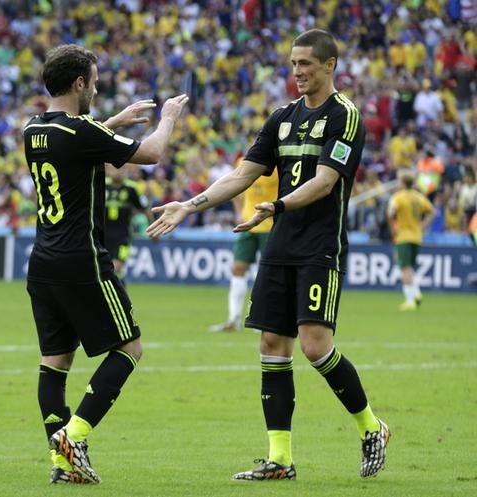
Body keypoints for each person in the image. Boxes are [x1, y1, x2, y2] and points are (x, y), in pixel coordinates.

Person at [147, 29, 390, 480]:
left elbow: (325, 181)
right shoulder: (282, 117)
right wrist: (189, 204)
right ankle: (280, 459)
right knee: (272, 345)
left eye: (306, 64)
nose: (296, 71)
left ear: (329, 65)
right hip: (281, 245)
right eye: (293, 63)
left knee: (316, 346)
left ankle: (372, 427)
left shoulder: (345, 116)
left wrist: (276, 206)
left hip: (320, 245)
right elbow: (242, 174)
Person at [23, 44, 188, 484]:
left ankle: (62, 464)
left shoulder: (32, 128)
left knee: (55, 361)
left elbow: (74, 139)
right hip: (83, 262)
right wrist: (168, 117)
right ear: (80, 83)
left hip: (42, 263)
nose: (96, 87)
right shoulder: (81, 133)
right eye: (94, 81)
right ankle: (72, 436)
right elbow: (151, 154)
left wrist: (112, 123)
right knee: (129, 349)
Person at [209, 158, 278, 332]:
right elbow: (235, 188)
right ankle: (233, 320)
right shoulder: (244, 162)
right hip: (248, 224)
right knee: (238, 267)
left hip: (270, 226)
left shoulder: (280, 165)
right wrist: (239, 211)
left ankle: (266, 320)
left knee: (269, 273)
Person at [387, 170, 435, 311]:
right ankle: (417, 293)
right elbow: (432, 212)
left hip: (403, 236)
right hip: (417, 236)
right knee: (409, 267)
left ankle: (410, 300)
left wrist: (392, 229)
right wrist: (423, 226)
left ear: (402, 183)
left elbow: (390, 214)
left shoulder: (398, 197)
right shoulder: (419, 197)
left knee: (404, 268)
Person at [104, 163, 151, 284]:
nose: (117, 171)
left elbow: (144, 208)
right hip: (102, 236)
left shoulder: (131, 188)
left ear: (125, 170)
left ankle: (118, 286)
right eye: (114, 168)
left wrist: (153, 230)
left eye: (120, 168)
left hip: (123, 236)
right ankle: (120, 284)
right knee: (107, 269)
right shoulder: (102, 185)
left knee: (116, 266)